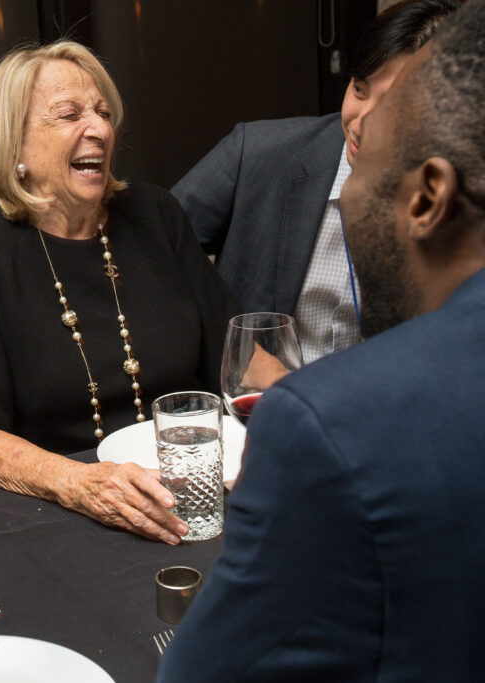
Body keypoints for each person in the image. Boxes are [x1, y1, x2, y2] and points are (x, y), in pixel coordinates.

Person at [158, 1, 485, 678]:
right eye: (356, 91)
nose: (354, 137)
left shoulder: (326, 426)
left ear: (427, 196)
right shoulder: (263, 151)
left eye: (372, 167)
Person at [0, 41, 238, 545]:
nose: (98, 129)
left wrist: (306, 419)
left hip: (197, 488)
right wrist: (79, 485)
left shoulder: (154, 213)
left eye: (103, 112)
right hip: (59, 509)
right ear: (13, 144)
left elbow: (239, 358)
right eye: (68, 114)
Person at [172, 0, 462, 363]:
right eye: (359, 89)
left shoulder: (457, 206)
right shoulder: (258, 154)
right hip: (254, 408)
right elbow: (153, 247)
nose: (358, 123)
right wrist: (235, 354)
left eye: (391, 105)